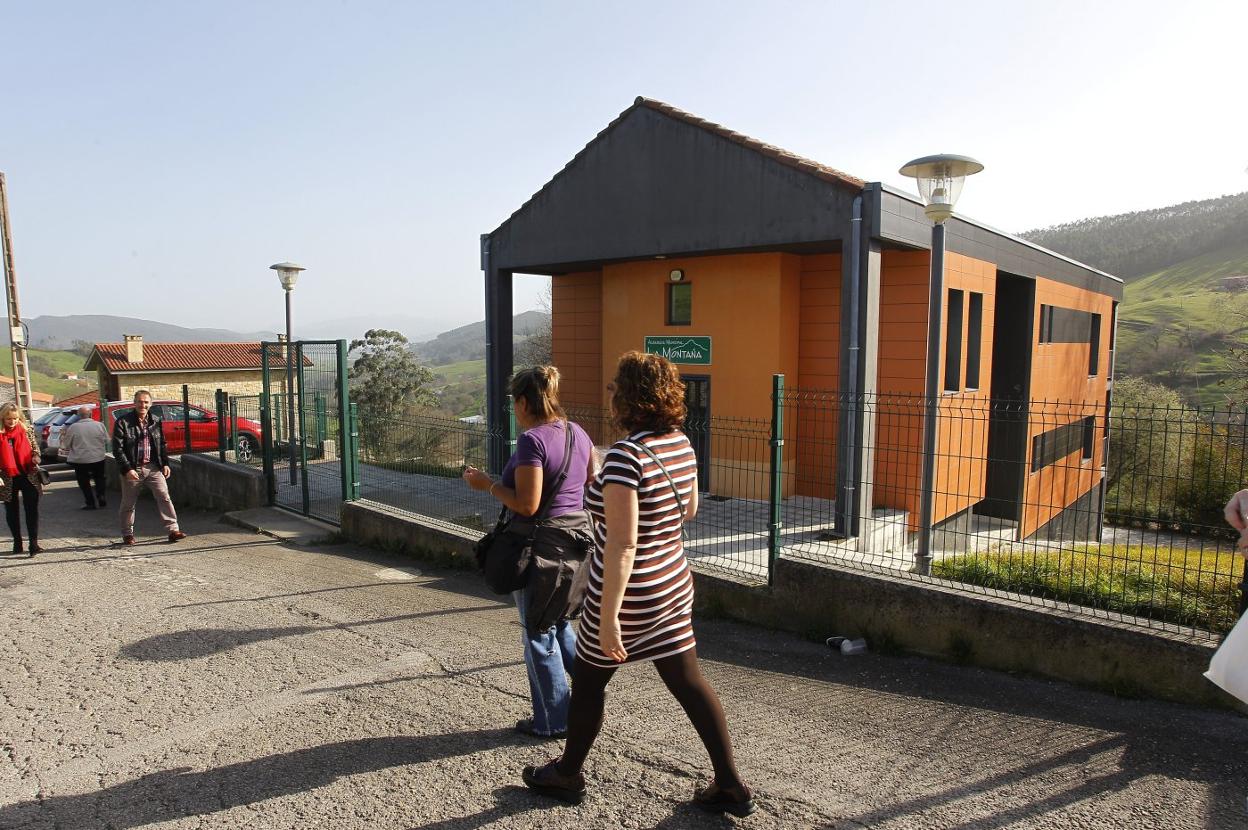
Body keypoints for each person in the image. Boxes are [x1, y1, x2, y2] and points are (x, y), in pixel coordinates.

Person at [521, 351, 754, 816]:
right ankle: (729, 783)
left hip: (628, 593)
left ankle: (567, 774)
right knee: (687, 680)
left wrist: (607, 620)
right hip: (672, 580)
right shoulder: (680, 444)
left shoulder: (627, 457)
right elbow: (687, 511)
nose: (611, 395)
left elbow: (621, 547)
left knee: (588, 684)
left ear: (628, 397)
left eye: (615, 388)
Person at [463, 366, 594, 739]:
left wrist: (487, 484)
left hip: (540, 550)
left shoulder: (532, 441)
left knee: (537, 633)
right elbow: (586, 480)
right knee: (560, 623)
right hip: (576, 543)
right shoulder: (576, 432)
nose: (514, 409)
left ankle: (554, 721)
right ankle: (588, 700)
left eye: (514, 403)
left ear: (523, 401)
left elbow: (527, 504)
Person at [113, 390, 186, 545]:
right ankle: (127, 534)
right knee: (128, 503)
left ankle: (173, 530)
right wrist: (127, 469)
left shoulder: (156, 420)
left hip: (153, 467)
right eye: (140, 401)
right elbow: (117, 449)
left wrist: (165, 463)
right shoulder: (123, 422)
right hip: (133, 469)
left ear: (150, 404)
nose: (143, 405)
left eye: (146, 402)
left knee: (164, 496)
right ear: (134, 403)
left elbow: (161, 444)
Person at [0, 402, 43, 556]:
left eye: (15, 418)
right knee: (11, 511)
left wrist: (36, 456)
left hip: (28, 474)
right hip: (6, 477)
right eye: (8, 419)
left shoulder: (26, 430)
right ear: (2, 418)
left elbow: (35, 448)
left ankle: (33, 544)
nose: (12, 421)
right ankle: (17, 542)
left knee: (32, 510)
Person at [60, 405, 109, 510]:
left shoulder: (73, 427)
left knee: (84, 481)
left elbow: (66, 445)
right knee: (100, 477)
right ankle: (101, 495)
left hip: (80, 459)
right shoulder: (99, 425)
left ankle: (90, 502)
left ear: (78, 416)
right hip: (98, 457)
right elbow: (107, 440)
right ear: (90, 414)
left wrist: (64, 436)